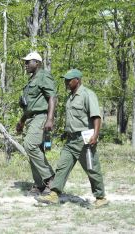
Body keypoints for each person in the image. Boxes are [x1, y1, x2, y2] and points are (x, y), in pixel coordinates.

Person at [36, 69, 109, 208]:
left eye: (69, 80)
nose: (66, 82)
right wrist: (65, 132)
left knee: (92, 168)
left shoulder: (87, 94)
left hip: (85, 140)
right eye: (65, 80)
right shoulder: (70, 97)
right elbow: (73, 119)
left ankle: (101, 197)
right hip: (71, 140)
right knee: (62, 166)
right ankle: (54, 194)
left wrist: (95, 135)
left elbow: (96, 117)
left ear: (77, 80)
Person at [16, 52, 57, 196]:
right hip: (31, 118)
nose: (26, 65)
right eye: (25, 62)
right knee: (34, 149)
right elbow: (29, 106)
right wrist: (21, 121)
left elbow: (52, 96)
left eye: (28, 62)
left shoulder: (43, 76)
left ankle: (51, 178)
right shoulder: (30, 81)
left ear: (37, 63)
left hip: (42, 116)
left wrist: (50, 119)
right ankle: (39, 185)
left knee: (30, 144)